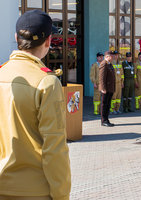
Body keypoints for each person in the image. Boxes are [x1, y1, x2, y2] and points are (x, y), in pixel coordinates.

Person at [0, 10, 71, 200]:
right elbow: (54, 148)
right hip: (33, 191)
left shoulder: (2, 73)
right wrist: (62, 195)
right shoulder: (46, 82)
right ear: (48, 41)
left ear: (16, 37)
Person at [99, 51, 116, 127]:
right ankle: (103, 120)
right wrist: (103, 88)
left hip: (110, 88)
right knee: (104, 104)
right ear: (107, 56)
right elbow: (101, 77)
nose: (112, 58)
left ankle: (107, 119)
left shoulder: (109, 64)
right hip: (105, 88)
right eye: (111, 56)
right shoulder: (104, 64)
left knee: (108, 104)